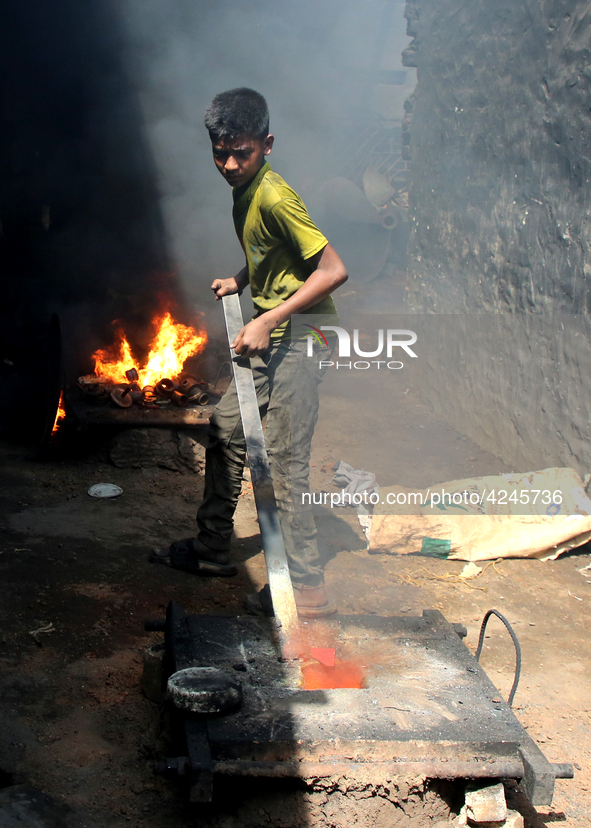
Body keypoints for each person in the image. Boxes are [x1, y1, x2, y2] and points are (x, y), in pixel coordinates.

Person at [154, 88, 348, 618]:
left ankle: (307, 592)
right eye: (221, 153)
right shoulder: (245, 188)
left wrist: (267, 317)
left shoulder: (275, 195)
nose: (230, 164)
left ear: (267, 144)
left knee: (285, 467)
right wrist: (242, 280)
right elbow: (271, 253)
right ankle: (213, 548)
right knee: (224, 432)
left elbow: (333, 271)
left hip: (303, 338)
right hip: (273, 333)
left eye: (242, 152)